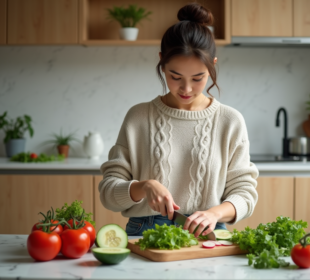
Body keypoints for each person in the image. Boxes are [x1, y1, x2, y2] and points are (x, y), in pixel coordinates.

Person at [99, 3, 259, 237]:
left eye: (198, 78)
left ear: (213, 65)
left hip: (208, 231)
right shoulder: (138, 117)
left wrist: (214, 214)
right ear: (162, 61)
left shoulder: (230, 121)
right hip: (145, 231)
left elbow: (245, 193)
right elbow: (108, 193)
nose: (186, 88)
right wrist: (143, 186)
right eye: (175, 77)